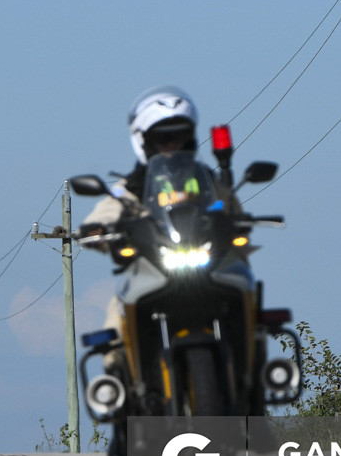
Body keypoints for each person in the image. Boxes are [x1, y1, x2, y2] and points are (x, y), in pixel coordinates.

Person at [79, 86, 243, 378]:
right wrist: (96, 228)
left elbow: (231, 207)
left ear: (190, 137)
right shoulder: (132, 187)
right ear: (145, 142)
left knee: (245, 285)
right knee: (117, 319)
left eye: (178, 135)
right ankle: (119, 388)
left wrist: (237, 219)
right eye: (163, 138)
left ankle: (257, 369)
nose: (171, 144)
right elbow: (110, 208)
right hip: (153, 267)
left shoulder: (206, 180)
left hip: (208, 261)